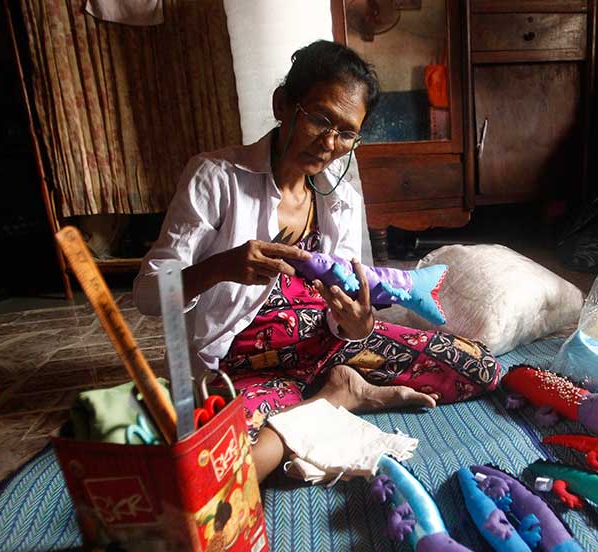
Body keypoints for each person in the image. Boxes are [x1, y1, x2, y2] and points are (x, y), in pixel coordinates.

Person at [134, 41, 500, 483]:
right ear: (283, 104)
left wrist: (358, 325)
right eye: (320, 119)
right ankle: (336, 398)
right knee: (223, 473)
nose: (330, 143)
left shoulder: (338, 192)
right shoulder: (216, 178)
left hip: (327, 347)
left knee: (480, 367)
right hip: (244, 366)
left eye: (347, 133)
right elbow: (149, 295)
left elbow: (349, 297)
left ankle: (327, 391)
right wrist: (219, 267)